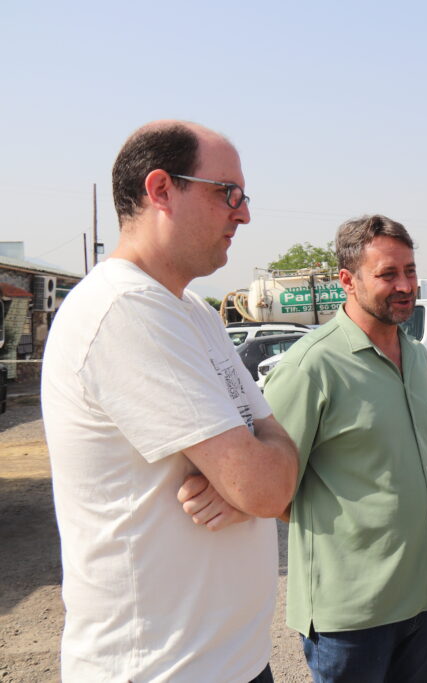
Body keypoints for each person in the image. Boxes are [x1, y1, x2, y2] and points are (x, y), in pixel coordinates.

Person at [41, 121, 298, 682]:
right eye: (226, 193)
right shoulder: (124, 311)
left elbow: (272, 483)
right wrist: (252, 475)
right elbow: (268, 483)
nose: (244, 213)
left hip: (232, 664)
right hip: (161, 671)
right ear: (161, 190)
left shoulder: (196, 314)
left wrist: (251, 478)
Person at [263, 214, 427, 683]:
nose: (405, 285)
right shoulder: (310, 367)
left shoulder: (419, 357)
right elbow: (272, 491)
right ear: (347, 280)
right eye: (388, 274)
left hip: (425, 604)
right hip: (350, 620)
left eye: (409, 270)